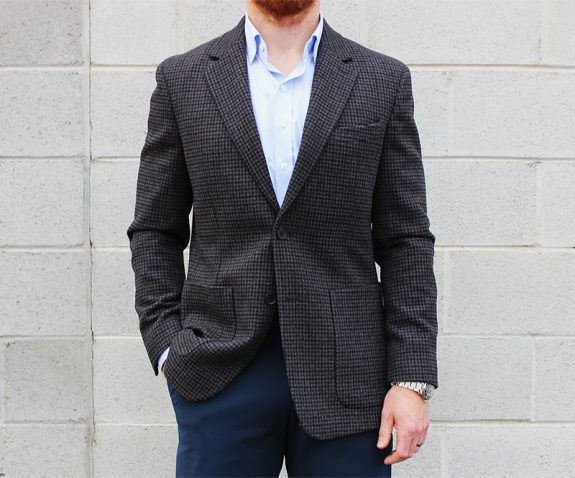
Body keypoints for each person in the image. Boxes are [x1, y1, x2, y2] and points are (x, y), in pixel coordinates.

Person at [126, 0, 438, 476]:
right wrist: (168, 346)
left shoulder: (381, 79)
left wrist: (411, 379)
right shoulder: (183, 78)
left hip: (350, 376)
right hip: (220, 371)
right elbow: (154, 228)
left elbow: (406, 240)